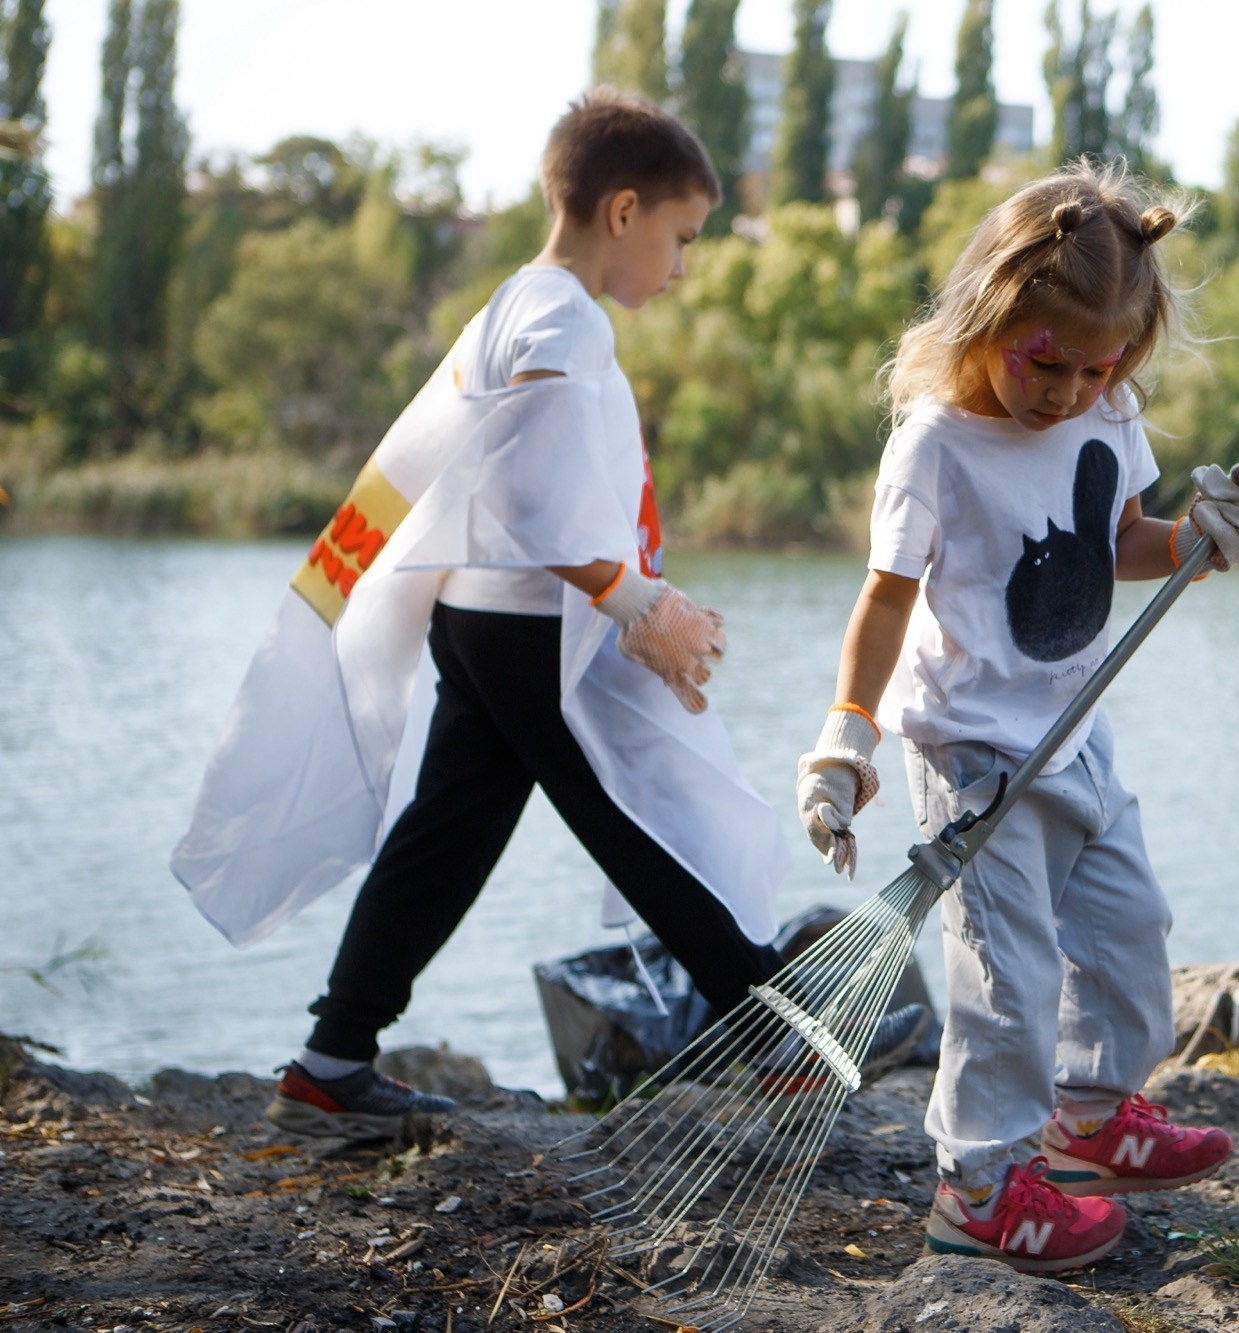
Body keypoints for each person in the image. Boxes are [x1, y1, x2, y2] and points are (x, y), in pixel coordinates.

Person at [172, 91, 917, 1141]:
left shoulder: (519, 301)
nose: (685, 265)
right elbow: (529, 494)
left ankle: (330, 1061)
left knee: (451, 831)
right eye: (682, 237)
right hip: (531, 628)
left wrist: (634, 590)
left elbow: (529, 483)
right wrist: (636, 600)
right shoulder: (564, 317)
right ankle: (765, 1032)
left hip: (483, 618)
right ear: (623, 212)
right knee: (632, 810)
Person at [793, 163, 1239, 1273]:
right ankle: (974, 1188)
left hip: (1076, 723)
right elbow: (886, 596)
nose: (1063, 391)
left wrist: (1205, 535)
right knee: (1003, 976)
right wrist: (844, 731)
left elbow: (1126, 545)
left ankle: (1090, 1120)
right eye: (1042, 360)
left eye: (1096, 366)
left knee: (1126, 926)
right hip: (969, 748)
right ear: (984, 317)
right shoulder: (933, 445)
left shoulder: (1105, 410)